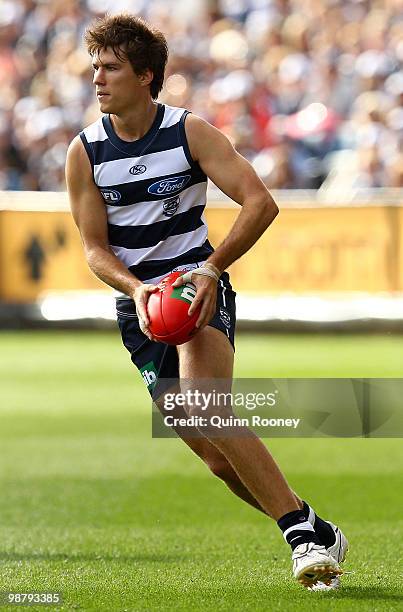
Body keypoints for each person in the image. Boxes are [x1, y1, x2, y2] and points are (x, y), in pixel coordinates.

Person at [65, 13, 348, 590]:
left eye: (111, 67)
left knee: (207, 404)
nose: (98, 79)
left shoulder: (190, 132)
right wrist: (137, 289)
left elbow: (259, 202)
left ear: (146, 76)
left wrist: (212, 269)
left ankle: (298, 537)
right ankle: (316, 524)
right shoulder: (85, 152)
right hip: (141, 306)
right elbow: (94, 249)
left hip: (196, 289)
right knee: (218, 459)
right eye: (94, 67)